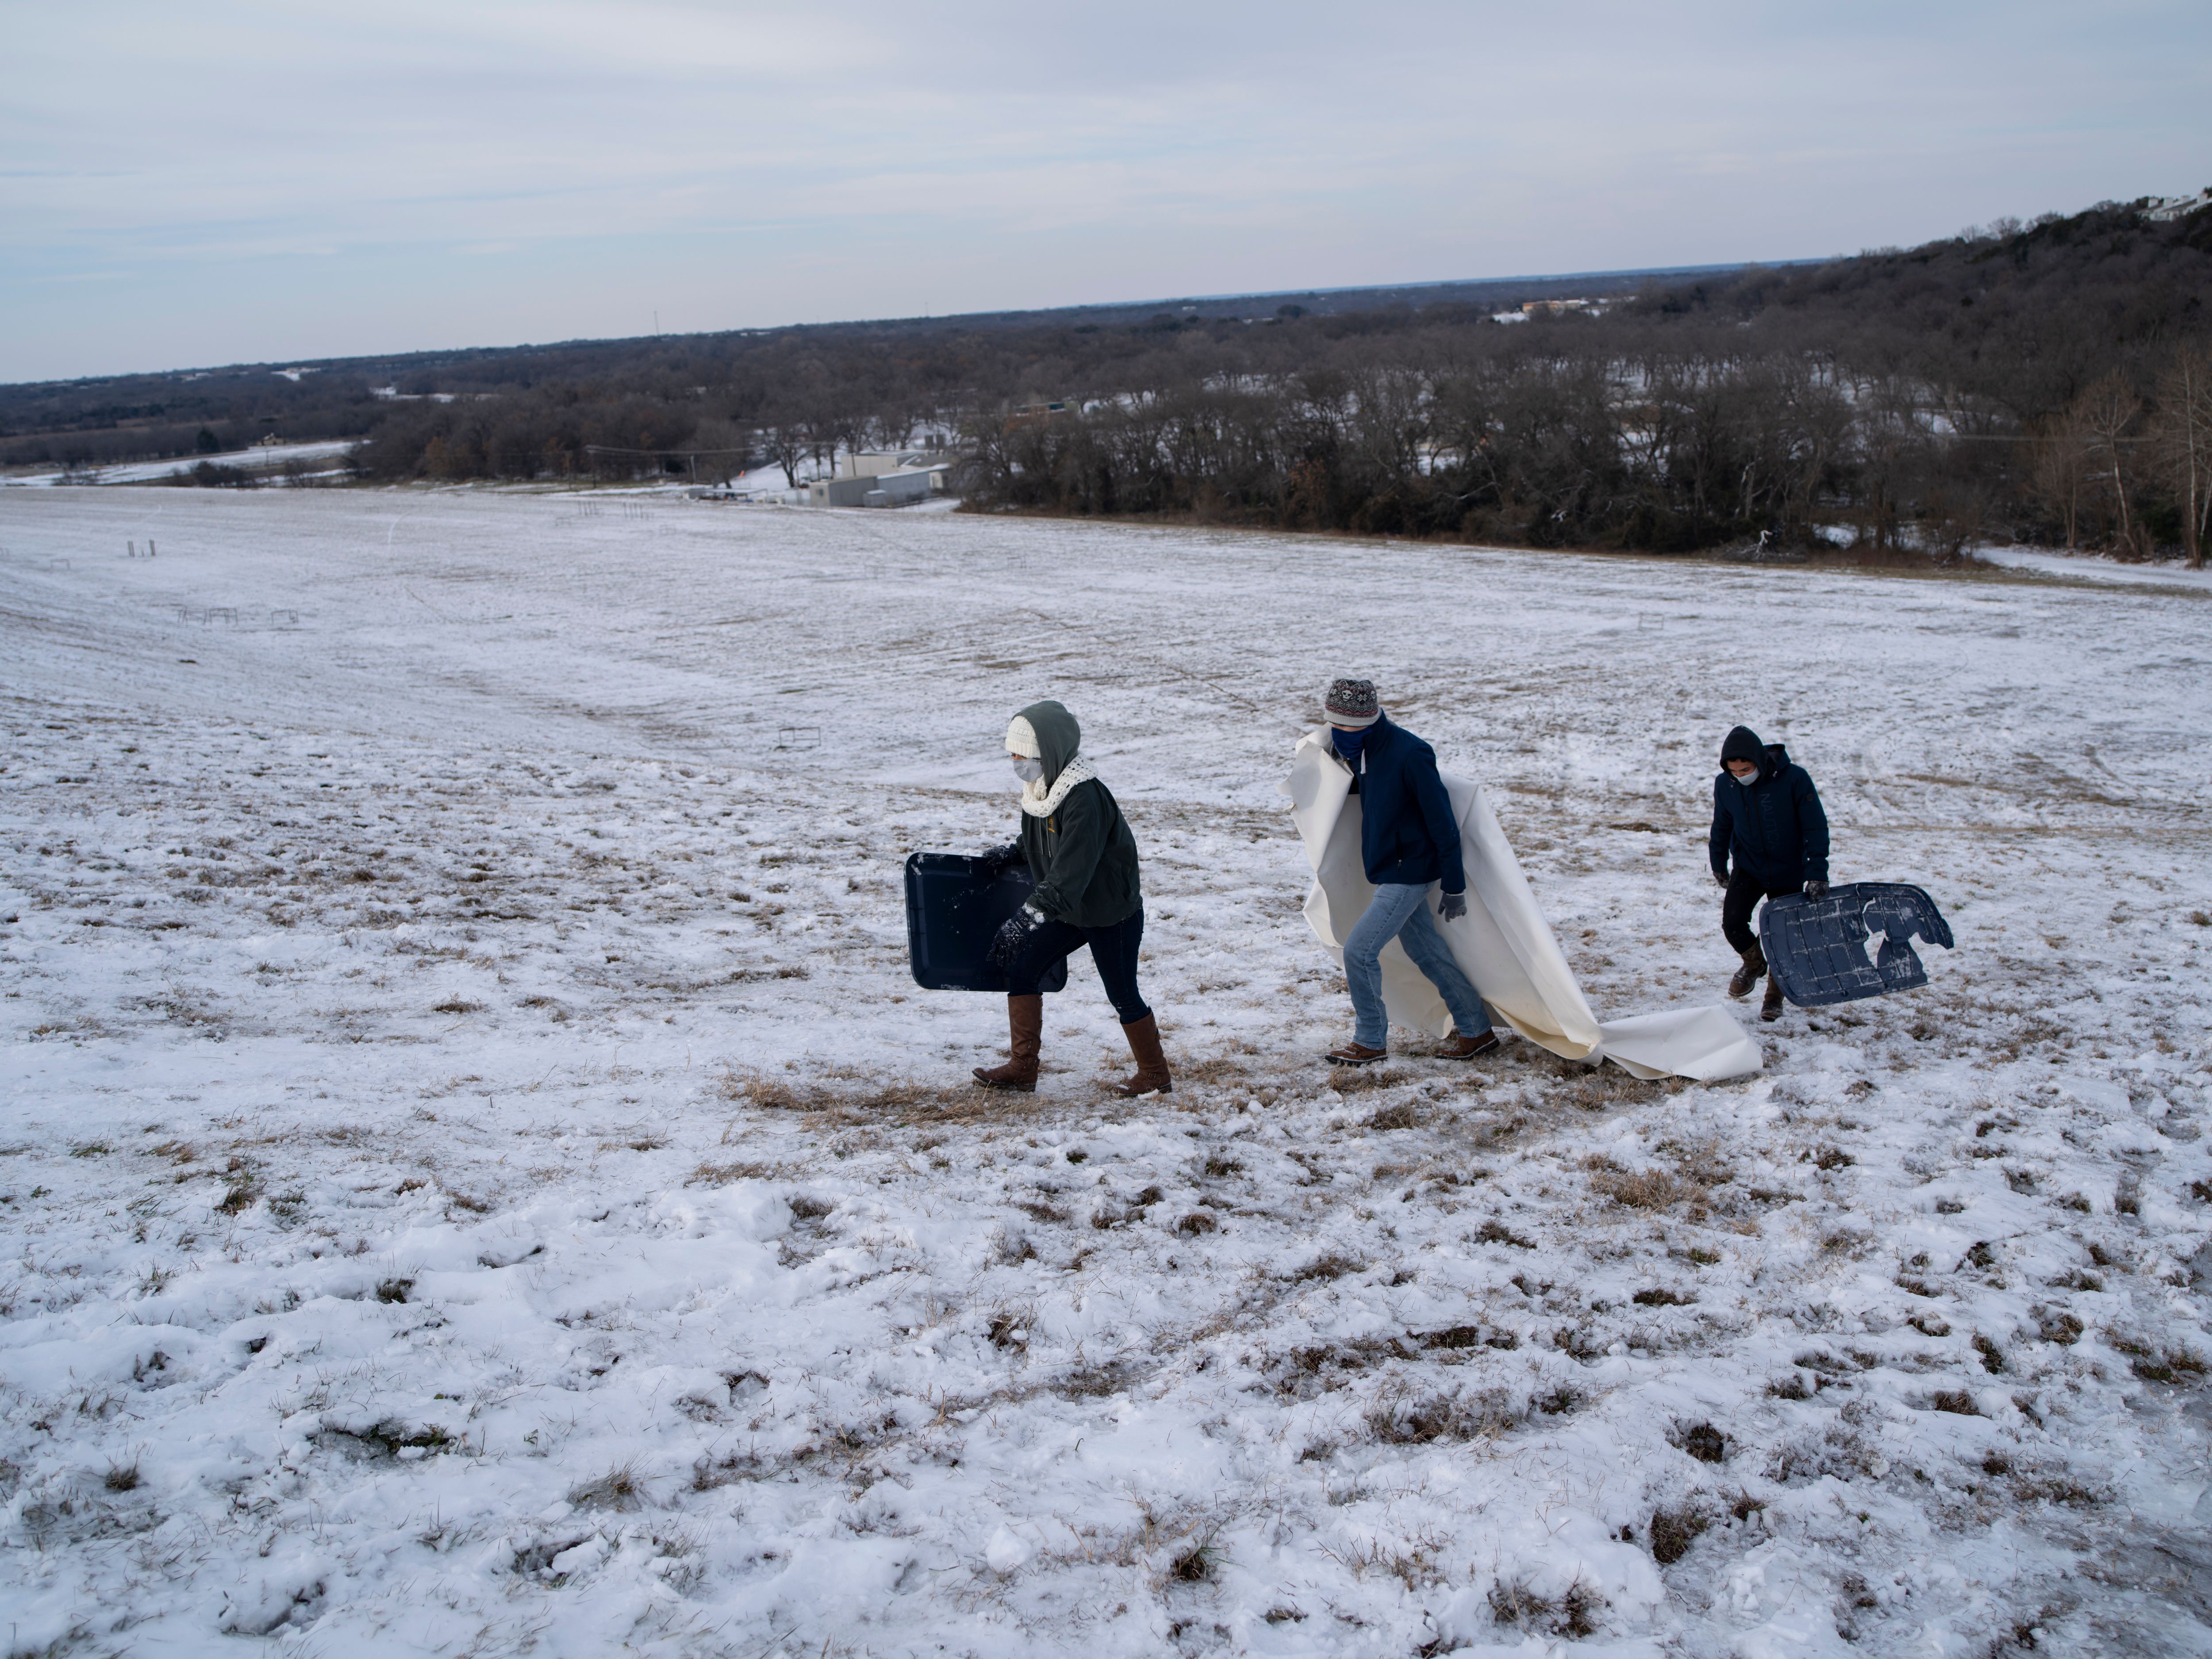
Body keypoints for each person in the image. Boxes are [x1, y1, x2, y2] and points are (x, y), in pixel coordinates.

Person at [971, 699, 1171, 1097]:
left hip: (1110, 911)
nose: (1016, 762)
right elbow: (1042, 839)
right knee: (1024, 968)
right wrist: (1014, 853)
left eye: (1023, 754)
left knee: (1122, 993)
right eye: (1013, 753)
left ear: (1050, 751)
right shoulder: (1041, 788)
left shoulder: (1085, 799)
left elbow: (1069, 874)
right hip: (1069, 908)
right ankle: (1023, 1067)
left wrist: (1024, 920)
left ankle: (1154, 1074)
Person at [1319, 678, 1498, 1066]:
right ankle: (1477, 1031)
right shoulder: (1357, 751)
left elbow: (1443, 823)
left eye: (1350, 726)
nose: (1342, 733)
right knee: (1427, 951)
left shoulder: (1410, 753)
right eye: (1335, 724)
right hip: (1387, 868)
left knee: (1359, 951)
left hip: (1410, 872)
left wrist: (1454, 885)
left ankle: (1369, 1041)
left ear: (1370, 719)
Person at [1709, 724, 1831, 1024]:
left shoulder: (1795, 780)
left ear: (1759, 761)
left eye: (1746, 769)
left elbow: (1815, 827)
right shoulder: (1726, 785)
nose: (1741, 775)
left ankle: (1774, 997)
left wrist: (1817, 871)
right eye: (1734, 771)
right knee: (1733, 922)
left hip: (1788, 868)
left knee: (1782, 935)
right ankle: (1754, 964)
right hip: (1749, 865)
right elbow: (1722, 824)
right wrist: (1718, 862)